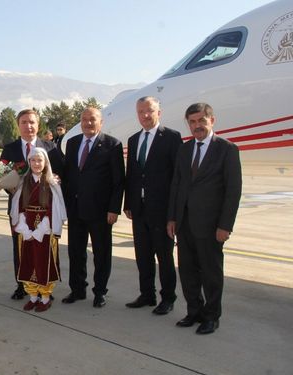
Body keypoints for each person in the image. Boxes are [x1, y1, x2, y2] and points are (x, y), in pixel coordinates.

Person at [167, 103, 242, 335]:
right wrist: (172, 218)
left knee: (211, 272)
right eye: (192, 122)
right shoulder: (185, 149)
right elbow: (177, 185)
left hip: (211, 225)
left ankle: (211, 316)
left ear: (212, 120)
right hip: (185, 223)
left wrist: (225, 226)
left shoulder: (227, 149)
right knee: (188, 271)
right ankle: (194, 312)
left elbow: (233, 190)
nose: (197, 125)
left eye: (201, 120)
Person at [123, 97, 183, 315]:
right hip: (139, 209)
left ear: (159, 112)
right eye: (140, 112)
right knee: (143, 255)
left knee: (164, 257)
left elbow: (178, 177)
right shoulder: (134, 139)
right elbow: (132, 175)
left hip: (162, 210)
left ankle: (168, 297)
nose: (145, 115)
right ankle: (146, 294)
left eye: (149, 111)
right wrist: (128, 202)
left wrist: (173, 214)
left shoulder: (171, 137)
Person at [62, 107, 125, 308]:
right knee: (76, 252)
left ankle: (100, 292)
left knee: (101, 254)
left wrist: (114, 209)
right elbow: (69, 175)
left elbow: (118, 181)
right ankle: (77, 289)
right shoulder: (72, 143)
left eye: (93, 119)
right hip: (76, 209)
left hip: (101, 212)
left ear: (101, 122)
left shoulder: (112, 145)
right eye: (84, 119)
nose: (88, 123)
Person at [0, 109, 64, 300]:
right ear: (18, 125)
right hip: (21, 211)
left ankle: (45, 286)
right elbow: (1, 176)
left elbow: (59, 172)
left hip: (46, 211)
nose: (29, 126)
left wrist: (57, 180)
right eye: (24, 122)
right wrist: (11, 189)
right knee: (21, 248)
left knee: (45, 249)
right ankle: (22, 286)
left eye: (32, 122)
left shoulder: (51, 147)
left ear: (38, 125)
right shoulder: (9, 149)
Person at [10, 147, 67, 312]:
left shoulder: (51, 183)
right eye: (33, 160)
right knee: (28, 261)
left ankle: (45, 297)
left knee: (44, 262)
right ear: (29, 162)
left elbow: (53, 209)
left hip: (45, 229)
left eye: (40, 160)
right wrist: (25, 229)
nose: (36, 163)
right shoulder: (23, 182)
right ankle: (33, 296)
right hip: (26, 227)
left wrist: (41, 229)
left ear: (45, 162)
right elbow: (19, 207)